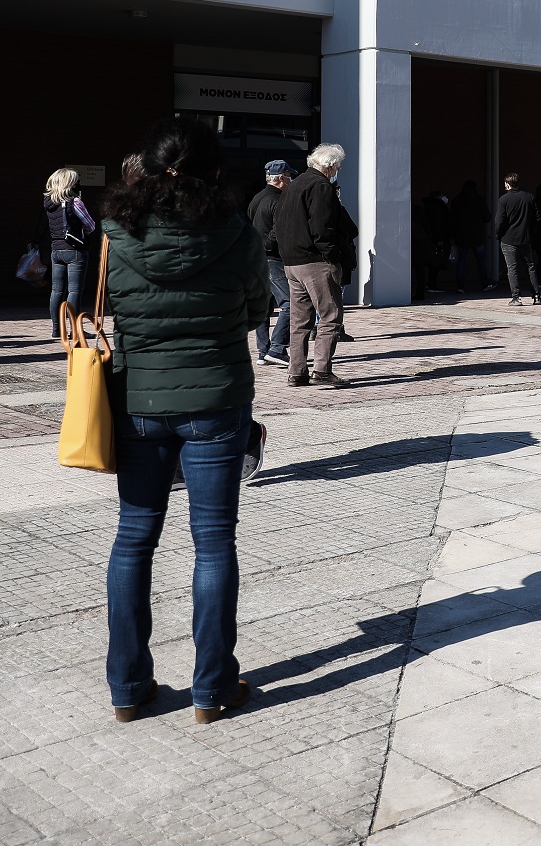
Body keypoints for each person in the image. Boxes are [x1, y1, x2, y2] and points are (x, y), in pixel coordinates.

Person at [100, 119, 269, 726]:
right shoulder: (238, 232)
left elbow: (108, 309)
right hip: (218, 398)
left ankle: (127, 687)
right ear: (216, 173)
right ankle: (213, 688)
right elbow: (257, 311)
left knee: (133, 538)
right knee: (214, 542)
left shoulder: (116, 234)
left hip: (139, 400)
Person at [275, 143, 356, 390]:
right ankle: (321, 370)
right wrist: (332, 257)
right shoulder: (321, 187)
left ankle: (297, 371)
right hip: (315, 262)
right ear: (330, 166)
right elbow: (323, 227)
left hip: (292, 262)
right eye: (338, 167)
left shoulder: (294, 185)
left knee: (300, 320)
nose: (337, 171)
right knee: (330, 317)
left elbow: (280, 224)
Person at [245, 160, 294, 366]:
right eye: (289, 176)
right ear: (281, 178)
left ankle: (263, 351)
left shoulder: (257, 198)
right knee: (291, 304)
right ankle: (277, 348)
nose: (291, 180)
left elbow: (249, 220)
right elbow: (278, 230)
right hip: (273, 259)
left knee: (264, 307)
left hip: (257, 259)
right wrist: (270, 244)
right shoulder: (279, 200)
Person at [40, 167, 97, 338]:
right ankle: (75, 331)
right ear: (69, 183)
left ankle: (57, 329)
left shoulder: (49, 203)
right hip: (75, 251)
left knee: (56, 291)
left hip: (56, 251)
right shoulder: (75, 202)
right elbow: (91, 225)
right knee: (74, 291)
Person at [493, 173, 541, 307]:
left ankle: (516, 297)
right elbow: (538, 218)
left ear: (508, 184)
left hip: (508, 239)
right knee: (530, 267)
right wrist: (530, 232)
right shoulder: (529, 197)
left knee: (512, 268)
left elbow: (499, 221)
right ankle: (537, 296)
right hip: (525, 238)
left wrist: (499, 234)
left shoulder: (503, 200)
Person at [451, 179, 491, 291]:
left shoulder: (457, 200)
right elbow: (487, 217)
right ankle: (484, 284)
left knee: (462, 261)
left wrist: (453, 235)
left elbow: (452, 220)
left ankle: (460, 286)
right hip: (477, 235)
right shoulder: (480, 199)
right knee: (481, 260)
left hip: (461, 235)